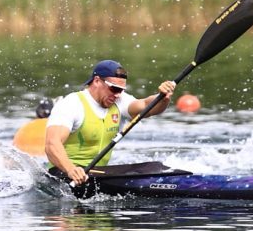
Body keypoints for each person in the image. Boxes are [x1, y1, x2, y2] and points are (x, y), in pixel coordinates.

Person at [45, 59, 175, 186]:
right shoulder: (72, 104)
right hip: (64, 175)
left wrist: (163, 97)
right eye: (114, 88)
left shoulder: (119, 100)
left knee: (151, 168)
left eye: (121, 90)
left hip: (98, 174)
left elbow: (147, 106)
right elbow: (52, 144)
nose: (118, 94)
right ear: (96, 81)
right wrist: (71, 169)